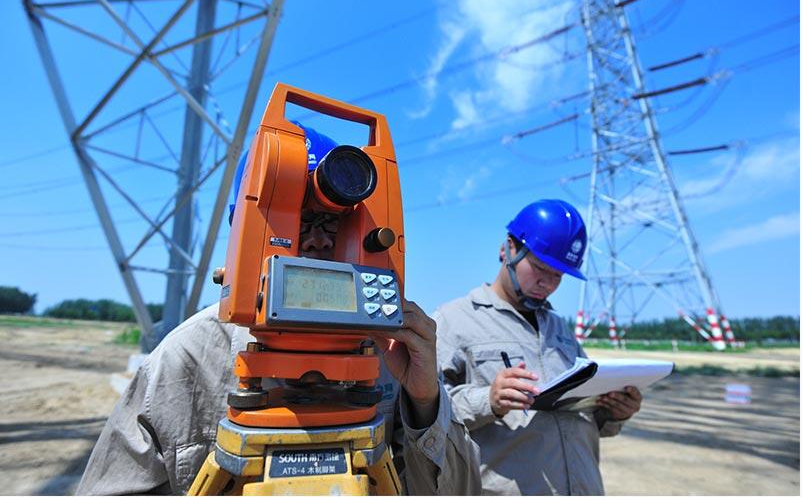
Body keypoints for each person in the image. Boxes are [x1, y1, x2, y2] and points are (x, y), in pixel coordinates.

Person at [77, 124, 480, 495]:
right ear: (242, 233)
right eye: (299, 220)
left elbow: (458, 491)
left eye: (333, 223)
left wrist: (426, 405)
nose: (320, 241)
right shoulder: (187, 358)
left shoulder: (388, 355)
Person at [433, 199, 643, 495]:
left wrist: (614, 412)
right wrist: (487, 399)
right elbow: (422, 414)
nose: (548, 283)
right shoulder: (453, 321)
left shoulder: (560, 330)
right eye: (540, 268)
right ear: (508, 249)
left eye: (558, 275)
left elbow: (585, 419)